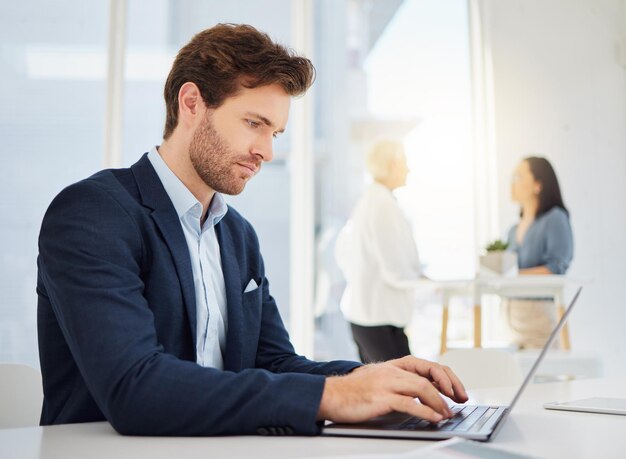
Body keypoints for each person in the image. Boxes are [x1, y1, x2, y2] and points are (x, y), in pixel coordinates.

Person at [36, 24, 467, 436]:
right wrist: (334, 394)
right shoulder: (93, 213)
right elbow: (135, 387)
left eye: (275, 132)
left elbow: (274, 362)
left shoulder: (237, 235)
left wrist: (370, 377)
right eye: (254, 123)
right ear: (191, 103)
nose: (267, 150)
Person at [335, 140, 423, 363]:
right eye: (405, 162)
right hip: (379, 319)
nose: (409, 169)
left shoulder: (368, 201)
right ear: (393, 164)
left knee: (385, 391)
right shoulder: (382, 205)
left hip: (366, 316)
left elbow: (342, 253)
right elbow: (394, 268)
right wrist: (424, 282)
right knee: (403, 388)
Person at [505, 156, 574, 348]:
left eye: (519, 177)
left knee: (543, 375)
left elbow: (556, 267)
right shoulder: (512, 230)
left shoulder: (555, 219)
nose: (512, 183)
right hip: (512, 318)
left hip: (539, 319)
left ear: (538, 185)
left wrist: (512, 277)